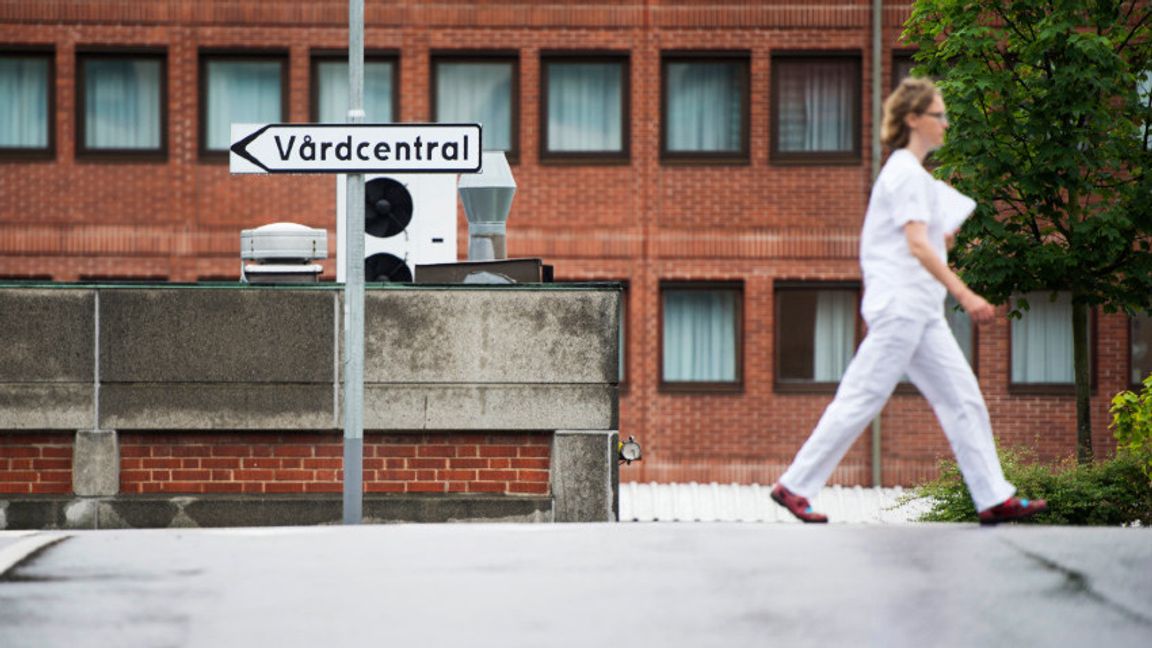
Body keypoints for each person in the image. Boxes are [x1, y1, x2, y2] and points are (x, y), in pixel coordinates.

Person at [770, 77, 1047, 526]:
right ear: (913, 119)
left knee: (964, 399)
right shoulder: (904, 173)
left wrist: (946, 238)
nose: (945, 123)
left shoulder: (914, 177)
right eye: (938, 115)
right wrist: (966, 293)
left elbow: (927, 243)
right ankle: (796, 485)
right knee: (862, 397)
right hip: (901, 308)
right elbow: (918, 246)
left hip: (920, 311)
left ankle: (994, 496)